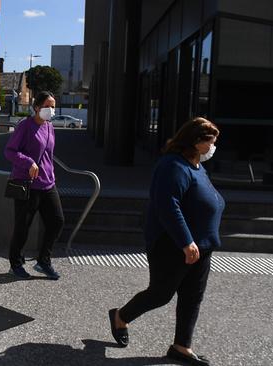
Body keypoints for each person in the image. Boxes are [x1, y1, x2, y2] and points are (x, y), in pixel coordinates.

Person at [108, 117, 224, 366]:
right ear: (195, 141)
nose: (213, 148)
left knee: (193, 297)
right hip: (173, 245)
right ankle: (120, 316)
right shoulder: (172, 165)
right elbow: (167, 206)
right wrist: (186, 241)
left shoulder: (197, 166)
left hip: (202, 245)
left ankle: (182, 346)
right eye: (210, 142)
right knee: (161, 293)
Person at [4, 91, 64, 280]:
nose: (51, 110)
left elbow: (48, 155)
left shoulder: (50, 127)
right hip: (27, 184)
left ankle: (43, 261)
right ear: (36, 107)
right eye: (47, 106)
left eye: (53, 106)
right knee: (22, 227)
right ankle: (16, 263)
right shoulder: (25, 126)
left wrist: (50, 173)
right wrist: (28, 162)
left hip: (47, 184)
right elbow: (9, 151)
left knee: (57, 221)